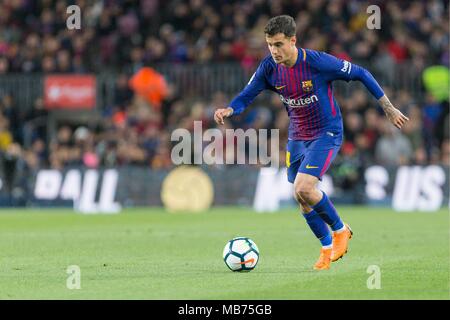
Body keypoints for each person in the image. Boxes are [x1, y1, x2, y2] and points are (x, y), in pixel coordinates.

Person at [213, 15, 409, 270]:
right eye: (270, 45)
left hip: (326, 132)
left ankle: (341, 230)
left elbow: (361, 73)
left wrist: (389, 108)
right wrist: (230, 109)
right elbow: (247, 93)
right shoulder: (269, 68)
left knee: (304, 187)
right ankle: (326, 249)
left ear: (293, 40)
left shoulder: (317, 62)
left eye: (279, 44)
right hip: (297, 136)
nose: (274, 51)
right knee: (301, 197)